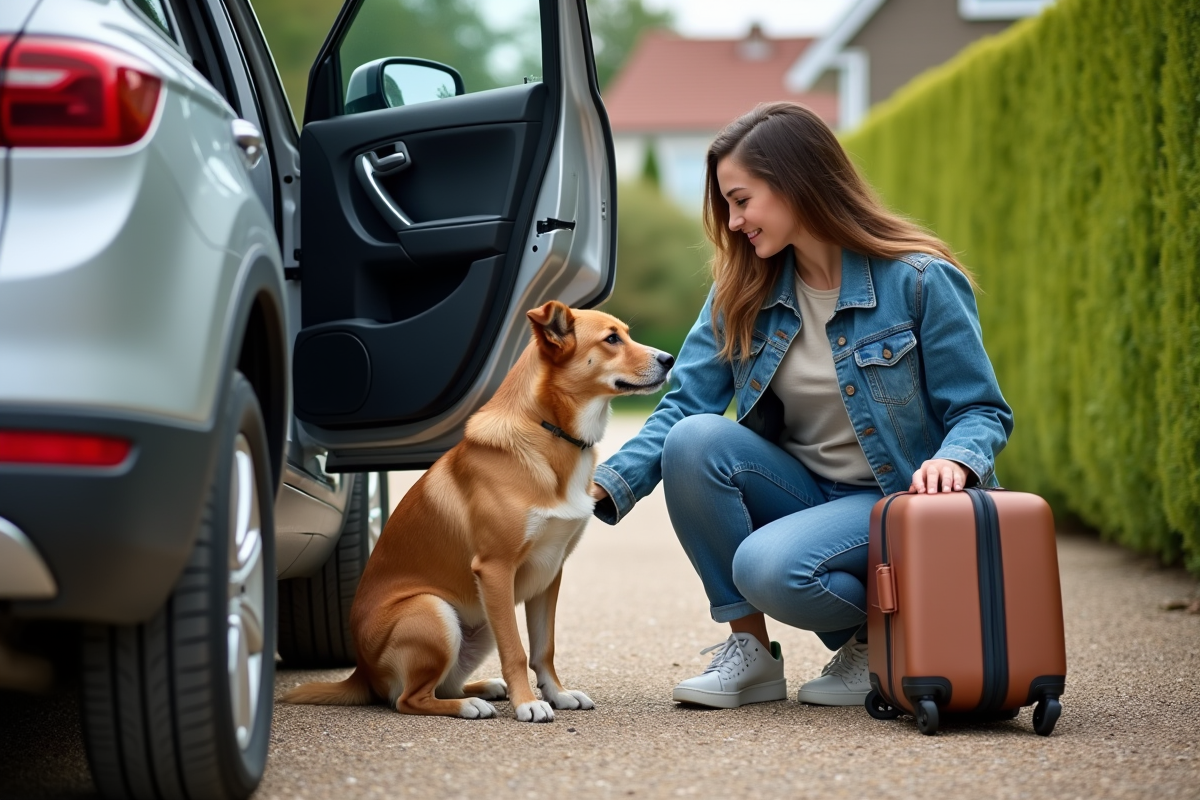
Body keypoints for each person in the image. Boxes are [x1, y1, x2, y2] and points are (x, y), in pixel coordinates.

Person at [589, 102, 1012, 709]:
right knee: (695, 440)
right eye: (727, 206)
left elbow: (981, 409)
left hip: (899, 505)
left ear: (797, 185)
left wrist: (959, 460)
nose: (733, 223)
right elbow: (683, 408)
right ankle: (752, 656)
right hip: (809, 495)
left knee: (768, 567)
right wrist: (603, 486)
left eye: (742, 200)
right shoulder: (741, 290)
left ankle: (881, 641)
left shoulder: (918, 280)